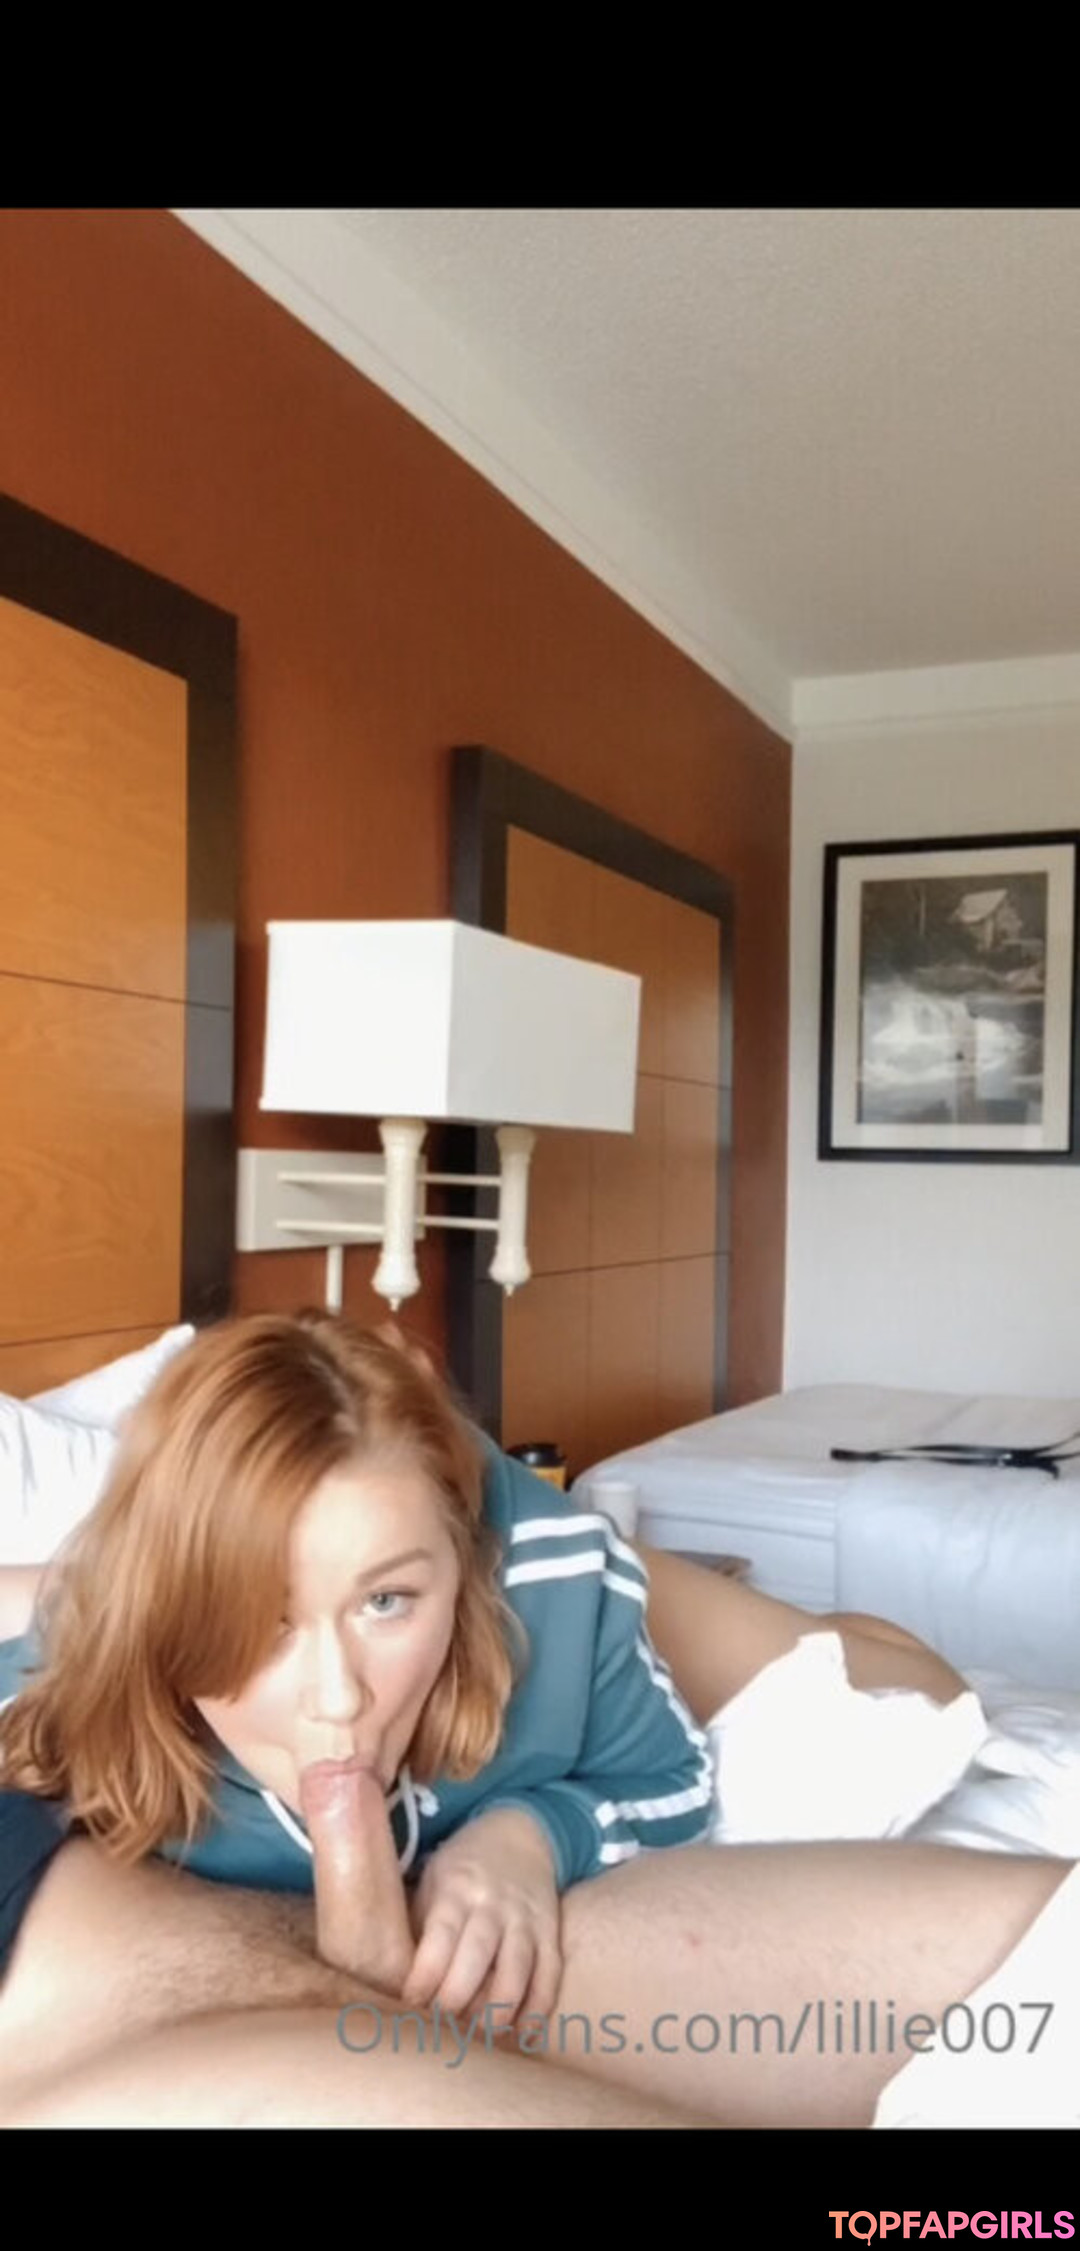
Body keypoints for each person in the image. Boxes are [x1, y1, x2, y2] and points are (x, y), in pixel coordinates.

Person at [2, 1311, 1074, 2129]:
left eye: (389, 1602)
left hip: (534, 1558)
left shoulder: (548, 1588)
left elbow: (670, 1778)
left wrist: (526, 1833)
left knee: (913, 1680)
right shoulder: (90, 1680)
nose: (336, 1697)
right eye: (264, 1621)